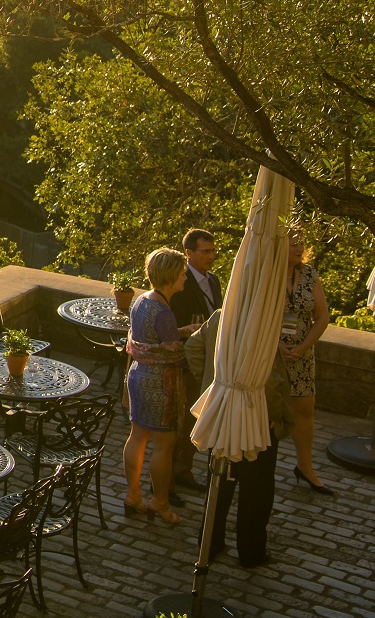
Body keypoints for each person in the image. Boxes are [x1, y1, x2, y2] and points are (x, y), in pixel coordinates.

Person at [186, 306, 293, 568]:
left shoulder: (221, 315)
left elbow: (193, 347)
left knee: (220, 480)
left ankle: (210, 543)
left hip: (223, 412)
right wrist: (275, 413)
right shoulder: (261, 322)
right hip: (257, 418)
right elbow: (269, 378)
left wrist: (212, 386)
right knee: (257, 488)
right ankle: (251, 550)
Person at [123, 247, 190, 524]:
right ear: (170, 276)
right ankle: (160, 503)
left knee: (137, 436)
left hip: (138, 375)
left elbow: (149, 340)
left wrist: (180, 333)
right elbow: (174, 353)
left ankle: (133, 496)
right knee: (165, 443)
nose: (185, 277)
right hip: (161, 383)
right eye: (182, 273)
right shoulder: (164, 312)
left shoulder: (140, 301)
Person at [281, 226, 333, 492]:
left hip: (302, 353)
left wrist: (302, 347)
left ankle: (305, 467)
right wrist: (277, 345)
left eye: (302, 243)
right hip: (271, 353)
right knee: (269, 411)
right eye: (294, 244)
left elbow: (322, 316)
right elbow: (255, 318)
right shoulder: (267, 275)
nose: (300, 248)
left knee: (305, 410)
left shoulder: (310, 274)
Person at [168, 229, 221, 493]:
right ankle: (170, 477)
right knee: (181, 420)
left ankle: (183, 468)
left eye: (213, 251)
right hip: (187, 360)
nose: (211, 256)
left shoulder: (214, 282)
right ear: (189, 253)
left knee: (195, 420)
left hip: (209, 361)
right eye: (206, 251)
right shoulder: (180, 283)